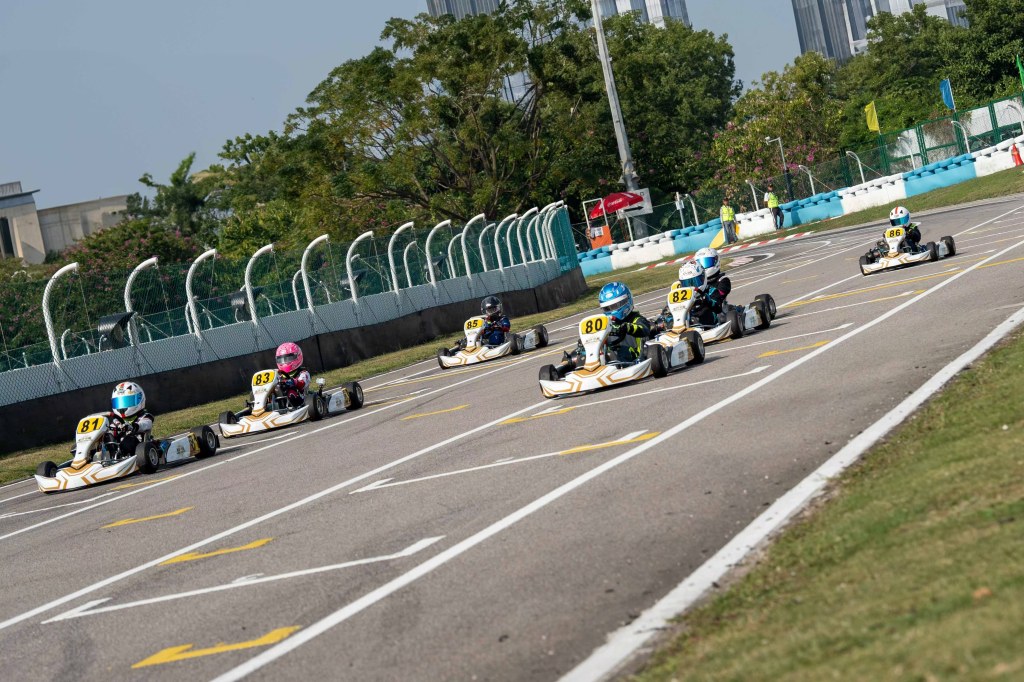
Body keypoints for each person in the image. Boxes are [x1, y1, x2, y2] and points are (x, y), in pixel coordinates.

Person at [553, 282, 651, 376]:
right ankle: (565, 370)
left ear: (626, 301)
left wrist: (628, 327)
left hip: (632, 355)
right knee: (578, 355)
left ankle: (609, 364)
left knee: (617, 352)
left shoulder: (636, 319)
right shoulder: (606, 323)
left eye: (614, 306)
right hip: (605, 353)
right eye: (607, 308)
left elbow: (645, 329)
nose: (611, 310)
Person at [107, 381, 154, 461]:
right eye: (119, 403)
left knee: (128, 440)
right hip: (117, 447)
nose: (122, 407)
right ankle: (107, 456)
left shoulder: (144, 416)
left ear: (139, 399)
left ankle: (120, 457)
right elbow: (111, 430)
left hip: (138, 447)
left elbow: (146, 424)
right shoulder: (117, 420)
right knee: (107, 436)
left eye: (127, 402)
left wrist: (134, 426)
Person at [275, 342, 312, 408]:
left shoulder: (303, 373)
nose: (285, 362)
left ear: (298, 356)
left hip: (300, 398)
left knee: (290, 392)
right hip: (283, 398)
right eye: (281, 359)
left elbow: (302, 384)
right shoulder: (279, 375)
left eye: (288, 358)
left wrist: (292, 381)